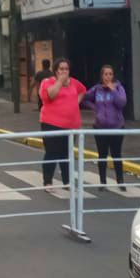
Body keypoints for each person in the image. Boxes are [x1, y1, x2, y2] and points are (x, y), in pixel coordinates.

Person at [38, 58, 86, 194]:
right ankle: (48, 181)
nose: (64, 71)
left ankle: (67, 181)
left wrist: (76, 102)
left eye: (66, 69)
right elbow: (50, 95)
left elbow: (83, 90)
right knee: (52, 153)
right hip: (51, 123)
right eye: (61, 69)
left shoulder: (74, 83)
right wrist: (59, 81)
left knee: (67, 154)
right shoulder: (47, 82)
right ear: (56, 71)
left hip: (72, 126)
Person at [83, 65, 128, 191]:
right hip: (100, 127)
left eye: (110, 74)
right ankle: (102, 181)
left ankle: (120, 181)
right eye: (106, 74)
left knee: (116, 154)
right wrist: (94, 108)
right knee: (102, 154)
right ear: (102, 76)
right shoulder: (97, 89)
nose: (108, 76)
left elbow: (122, 103)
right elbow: (85, 98)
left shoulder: (118, 88)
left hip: (116, 127)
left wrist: (113, 90)